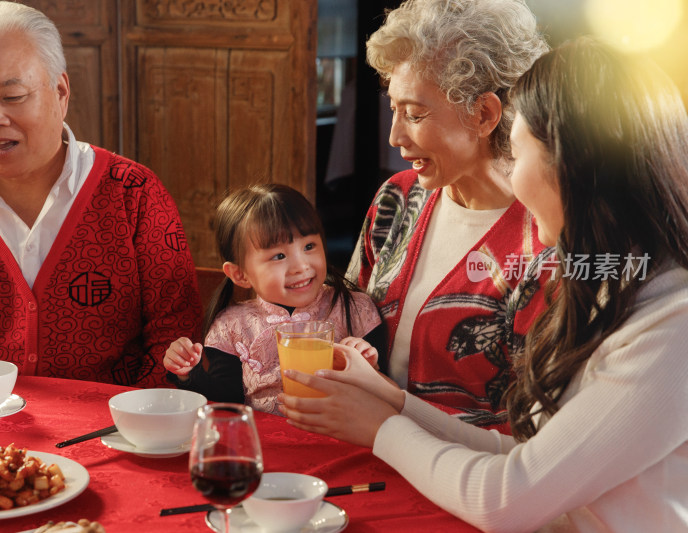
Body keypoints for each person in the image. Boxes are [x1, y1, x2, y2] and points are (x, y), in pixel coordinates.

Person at [281, 37, 688, 531]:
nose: (514, 179)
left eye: (518, 155)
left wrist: (382, 428)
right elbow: (526, 454)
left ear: (573, 166)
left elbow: (506, 498)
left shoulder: (673, 322)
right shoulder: (615, 283)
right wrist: (393, 402)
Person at [0, 1, 202, 388]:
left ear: (60, 91)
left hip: (110, 432)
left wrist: (135, 424)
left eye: (13, 96)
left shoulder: (133, 193)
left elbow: (175, 336)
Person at [346, 0, 552, 430]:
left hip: (471, 480)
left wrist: (391, 418)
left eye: (415, 114)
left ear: (483, 114)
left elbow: (534, 433)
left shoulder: (545, 238)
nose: (395, 136)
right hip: (360, 452)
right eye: (394, 109)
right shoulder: (396, 201)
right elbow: (341, 318)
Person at [164, 184, 386, 414]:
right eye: (279, 256)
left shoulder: (356, 309)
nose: (301, 266)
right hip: (265, 443)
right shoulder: (231, 326)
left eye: (309, 246)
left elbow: (386, 393)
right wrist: (189, 373)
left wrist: (369, 366)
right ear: (240, 274)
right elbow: (227, 400)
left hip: (340, 438)